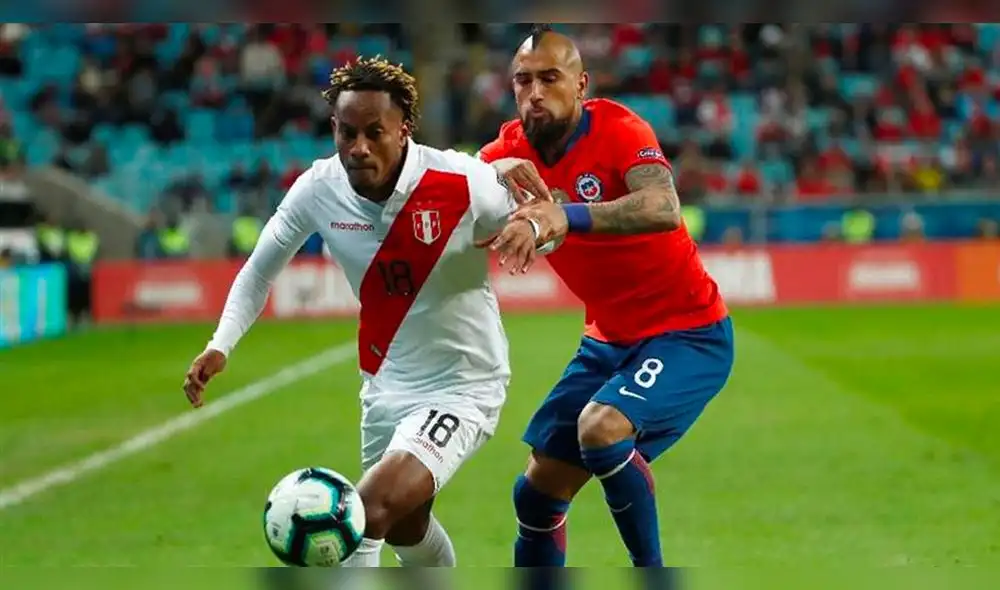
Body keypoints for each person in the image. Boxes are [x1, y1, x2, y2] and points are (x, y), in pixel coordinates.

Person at [182, 56, 535, 568]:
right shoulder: (318, 188)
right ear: (334, 127)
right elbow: (259, 271)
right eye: (347, 133)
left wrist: (530, 227)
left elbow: (541, 221)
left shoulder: (460, 179)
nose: (359, 147)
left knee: (362, 514)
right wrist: (220, 344)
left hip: (463, 384)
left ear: (404, 129)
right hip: (384, 386)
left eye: (374, 132)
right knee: (407, 529)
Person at [476, 26, 736, 568]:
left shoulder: (619, 129)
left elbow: (663, 206)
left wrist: (564, 215)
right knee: (536, 493)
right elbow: (449, 192)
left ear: (581, 84)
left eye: (550, 78)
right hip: (608, 340)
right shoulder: (507, 151)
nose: (535, 93)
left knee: (601, 428)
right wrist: (487, 171)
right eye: (523, 81)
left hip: (688, 332)